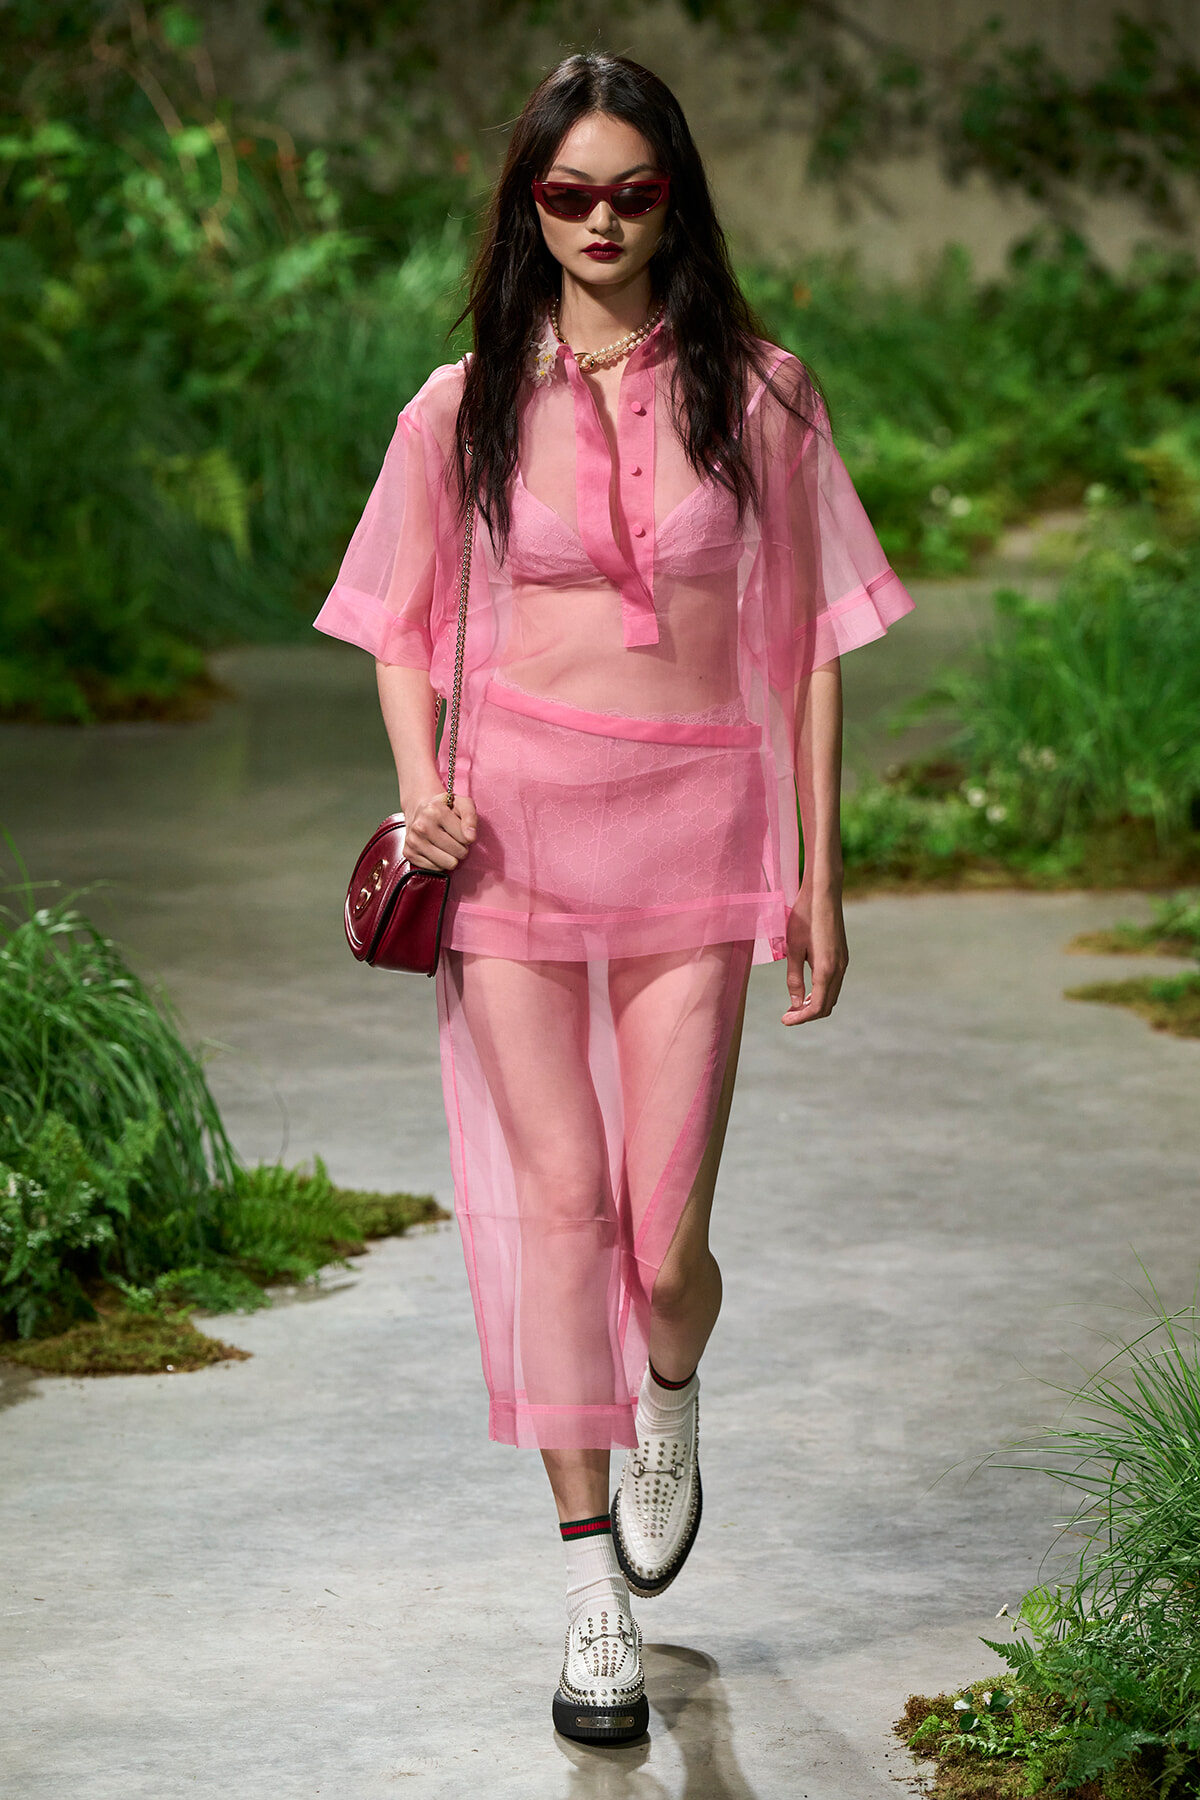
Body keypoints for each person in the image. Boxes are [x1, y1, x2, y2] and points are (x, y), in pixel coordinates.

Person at [315, 52, 913, 1746]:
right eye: (567, 194)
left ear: (673, 201)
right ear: (529, 206)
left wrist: (819, 873)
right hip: (509, 847)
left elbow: (810, 647)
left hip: (697, 845)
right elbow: (397, 623)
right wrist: (421, 785)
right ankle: (593, 1601)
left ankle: (672, 1384)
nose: (598, 221)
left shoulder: (765, 394)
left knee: (659, 1245)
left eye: (630, 193)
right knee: (558, 1213)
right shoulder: (460, 406)